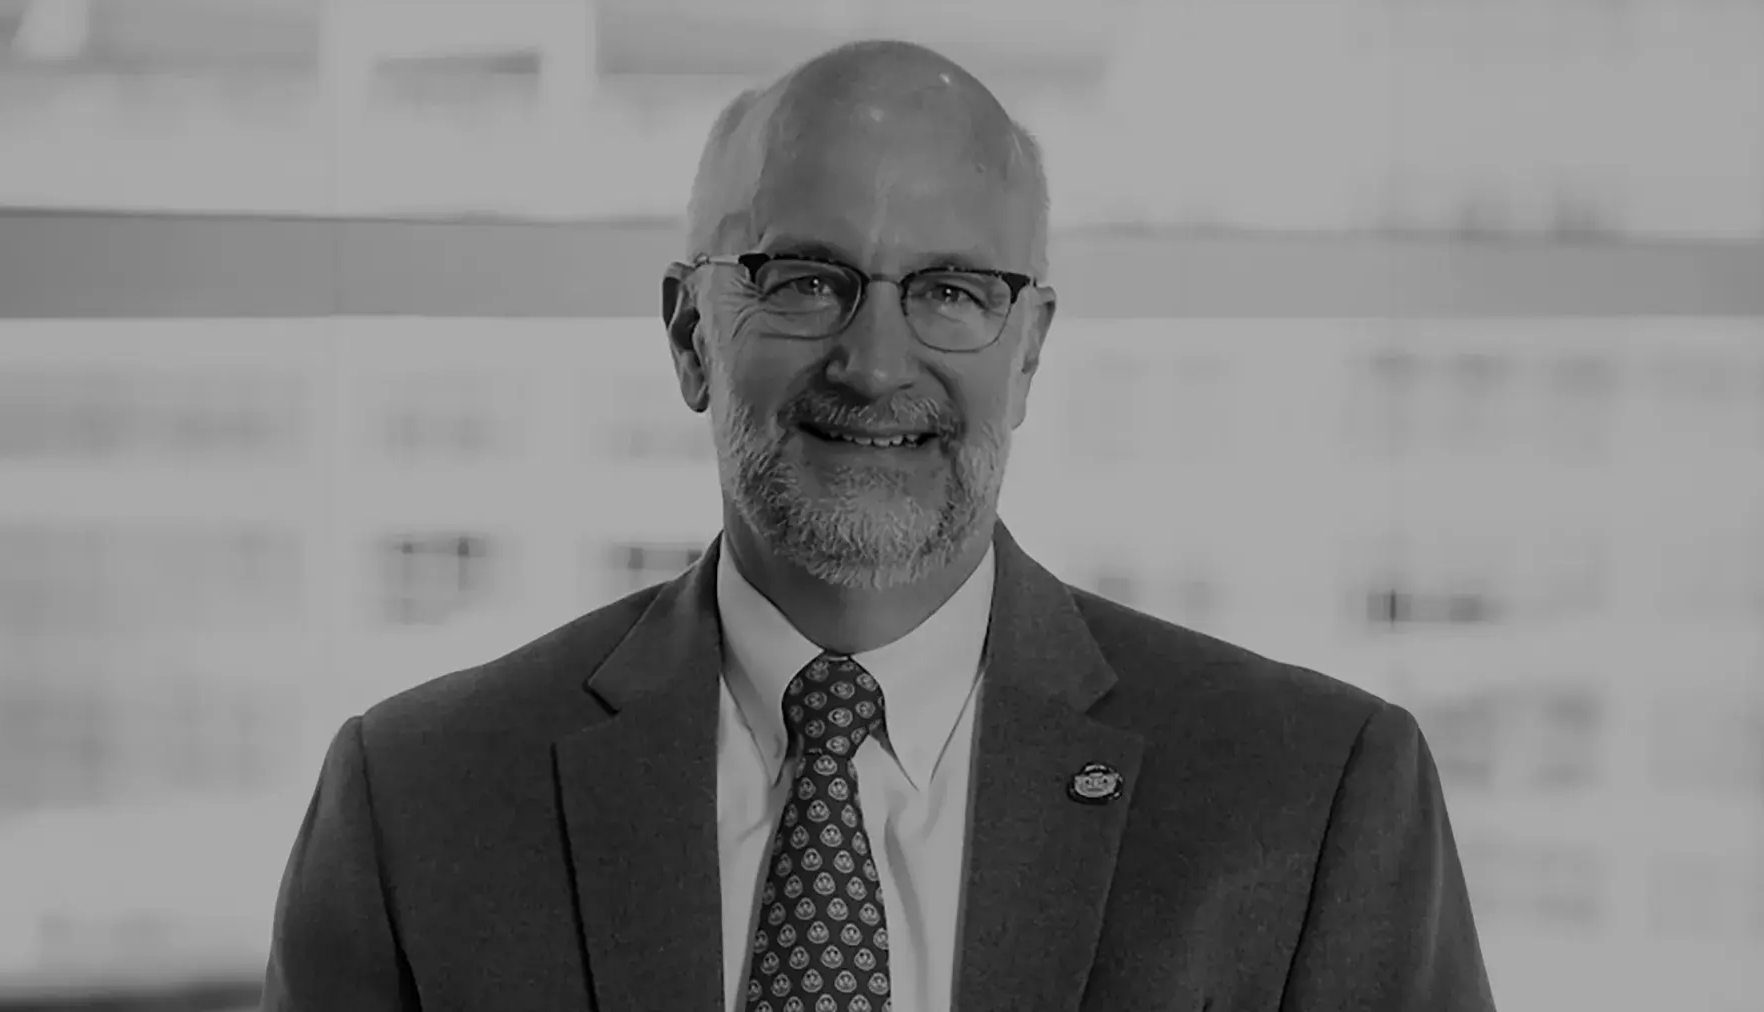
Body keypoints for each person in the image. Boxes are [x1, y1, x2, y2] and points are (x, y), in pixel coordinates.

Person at [262, 39, 1498, 1012]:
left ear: (1027, 355)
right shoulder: (418, 804)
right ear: (691, 335)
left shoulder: (1312, 796)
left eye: (953, 291)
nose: (873, 361)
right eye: (804, 280)